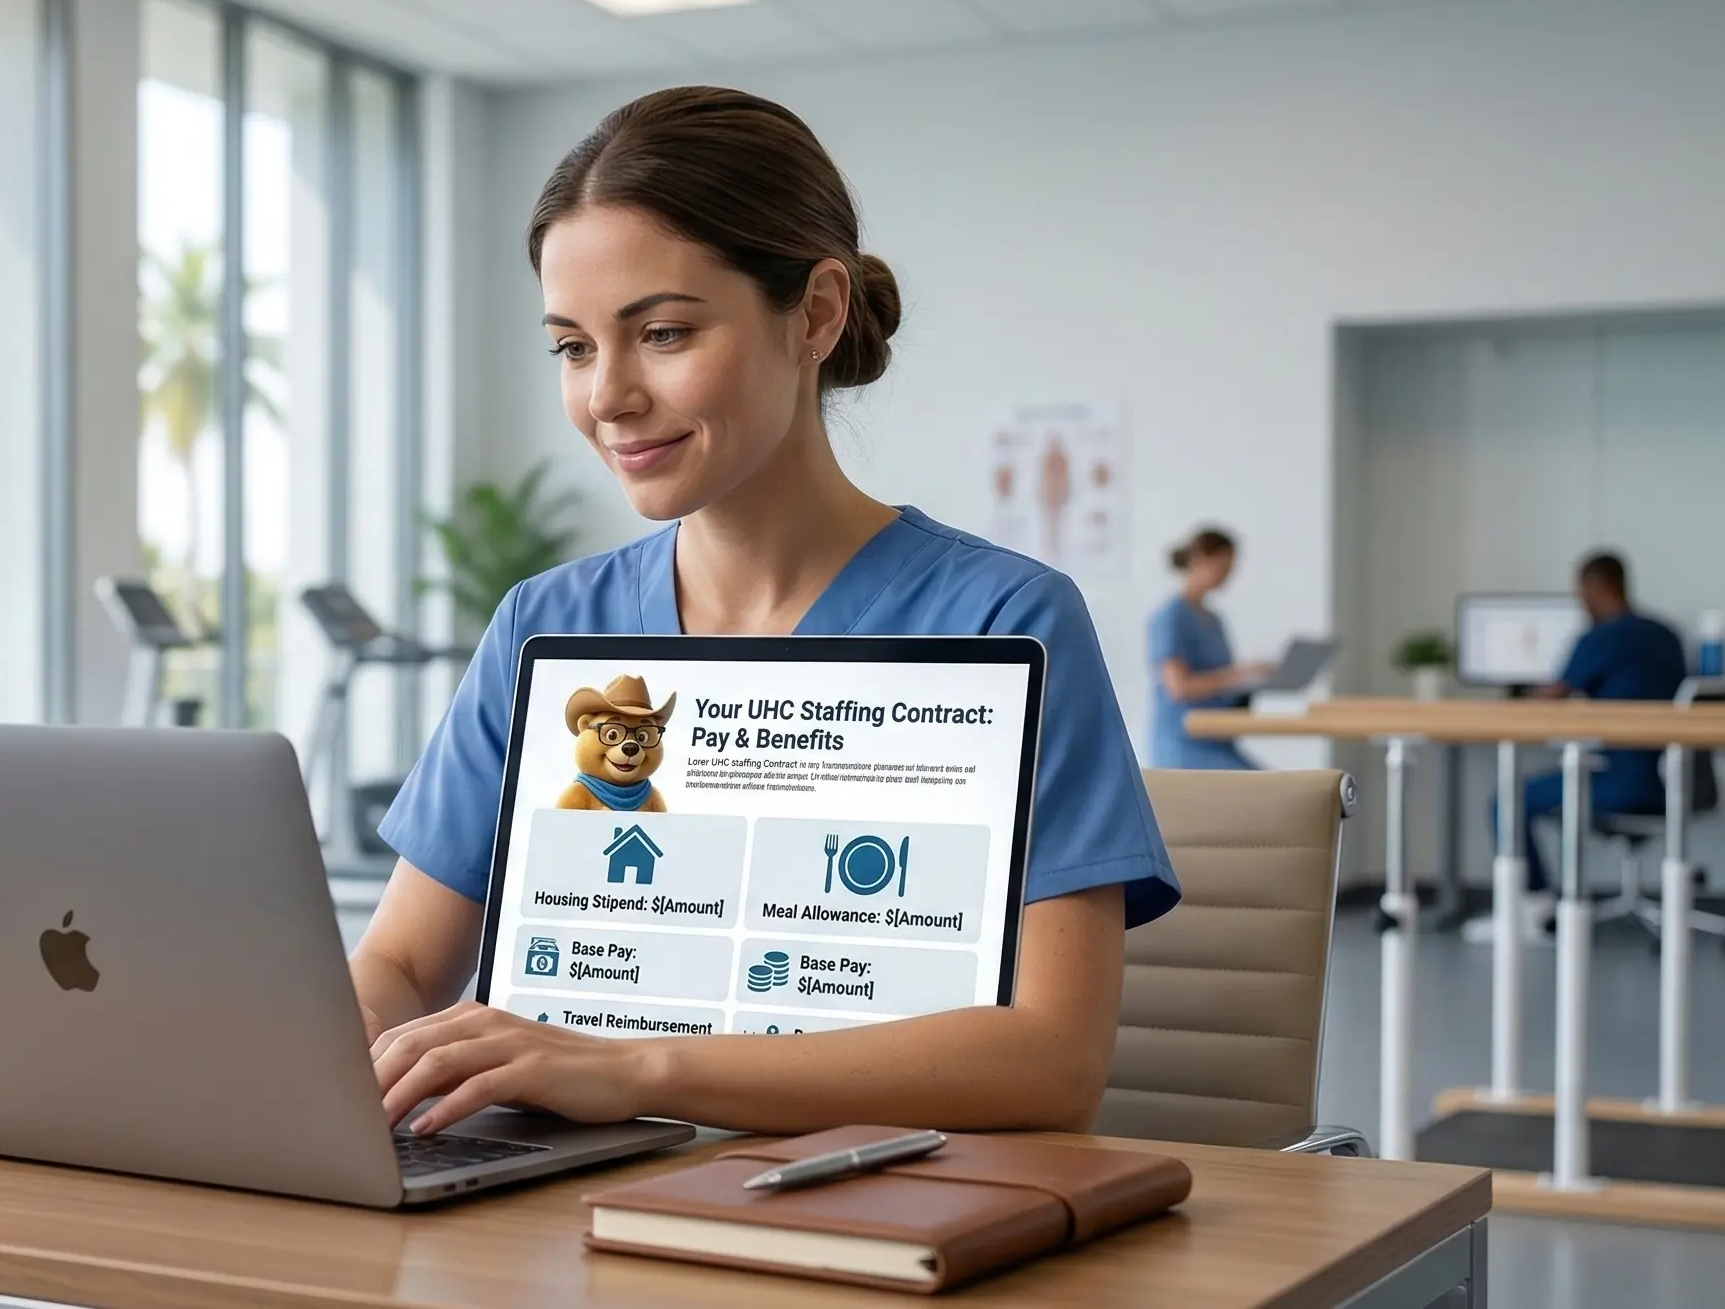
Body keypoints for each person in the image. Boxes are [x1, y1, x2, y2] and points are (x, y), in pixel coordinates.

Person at [346, 86, 1178, 1140]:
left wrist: (636, 1070)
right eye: (572, 346)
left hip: (876, 1221)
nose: (606, 396)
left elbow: (1049, 1063)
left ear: (817, 315)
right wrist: (330, 1033)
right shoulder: (544, 623)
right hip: (548, 1213)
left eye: (660, 332)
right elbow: (403, 964)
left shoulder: (1001, 621)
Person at [1469, 551, 1687, 946]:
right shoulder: (1666, 635)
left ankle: (1534, 912)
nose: (1580, 604)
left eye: (1581, 594)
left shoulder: (1601, 638)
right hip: (1671, 782)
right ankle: (1540, 907)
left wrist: (1513, 703)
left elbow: (1553, 695)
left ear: (1597, 587)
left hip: (1621, 781)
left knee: (1508, 802)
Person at [1146, 527, 1272, 770]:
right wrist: (1240, 674)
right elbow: (1179, 687)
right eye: (1223, 566)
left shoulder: (1214, 620)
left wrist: (1254, 679)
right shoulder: (1169, 618)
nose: (1228, 575)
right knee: (1276, 793)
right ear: (1199, 561)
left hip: (1220, 740)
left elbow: (1223, 681)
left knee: (1282, 788)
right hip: (1186, 746)